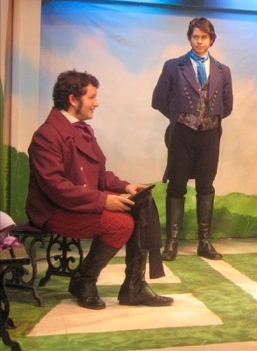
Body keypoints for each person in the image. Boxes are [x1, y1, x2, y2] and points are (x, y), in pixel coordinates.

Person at [26, 70, 174, 310]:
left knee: (142, 202)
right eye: (92, 97)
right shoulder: (47, 135)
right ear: (73, 99)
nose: (97, 103)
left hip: (78, 202)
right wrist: (103, 201)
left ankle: (134, 286)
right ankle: (83, 280)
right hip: (54, 210)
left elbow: (98, 174)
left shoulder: (82, 129)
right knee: (120, 224)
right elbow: (56, 188)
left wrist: (125, 187)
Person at [152, 17, 233, 261]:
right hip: (181, 134)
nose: (200, 41)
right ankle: (171, 243)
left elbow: (227, 106)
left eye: (204, 37)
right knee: (176, 186)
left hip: (210, 135)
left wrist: (206, 119)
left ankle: (204, 243)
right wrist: (180, 117)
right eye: (195, 37)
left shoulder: (223, 71)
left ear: (211, 40)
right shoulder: (173, 66)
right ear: (189, 38)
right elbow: (159, 100)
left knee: (206, 187)